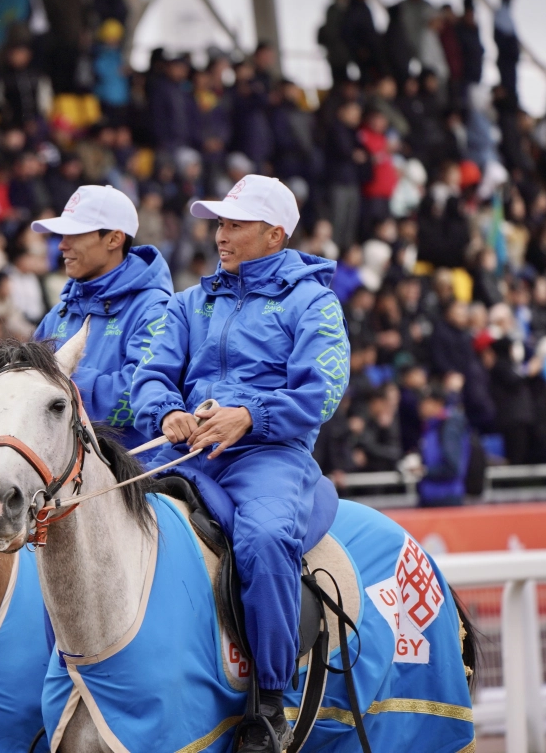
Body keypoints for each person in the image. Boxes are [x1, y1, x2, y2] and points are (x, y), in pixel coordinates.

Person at [131, 174, 349, 752]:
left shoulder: (314, 303)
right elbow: (150, 373)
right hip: (190, 453)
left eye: (234, 224)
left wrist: (248, 417)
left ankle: (271, 704)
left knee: (265, 537)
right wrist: (166, 413)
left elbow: (322, 392)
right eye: (219, 224)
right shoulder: (189, 302)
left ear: (275, 233)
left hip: (271, 457)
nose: (221, 235)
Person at [31, 185, 172, 457]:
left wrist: (51, 385)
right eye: (62, 234)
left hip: (131, 477)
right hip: (58, 472)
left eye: (74, 234)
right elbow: (19, 373)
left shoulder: (156, 308)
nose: (62, 245)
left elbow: (138, 395)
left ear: (114, 239)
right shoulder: (61, 310)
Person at [495, 0, 520, 103]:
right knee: (508, 90)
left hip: (509, 59)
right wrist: (511, 51)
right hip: (506, 59)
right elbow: (500, 37)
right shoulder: (501, 12)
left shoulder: (507, 12)